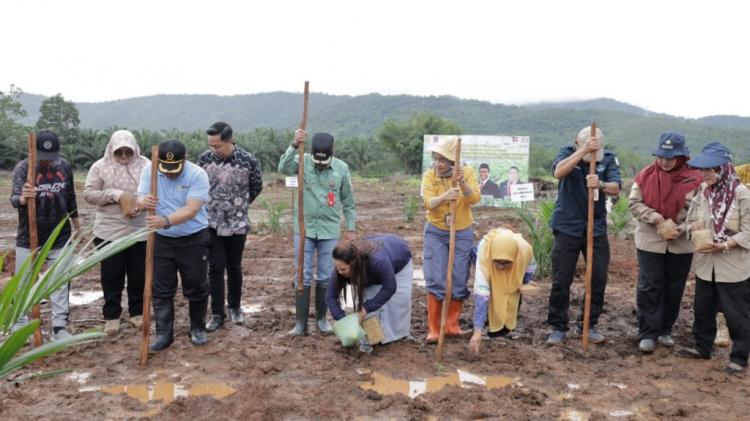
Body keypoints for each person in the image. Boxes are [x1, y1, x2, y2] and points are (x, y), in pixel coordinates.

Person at [546, 125, 621, 345]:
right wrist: (583, 152)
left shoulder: (608, 158)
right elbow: (558, 172)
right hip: (567, 225)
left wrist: (602, 183)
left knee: (597, 277)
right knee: (562, 278)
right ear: (576, 142)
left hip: (595, 227)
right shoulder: (567, 152)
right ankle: (558, 326)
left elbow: (616, 187)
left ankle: (588, 324)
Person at [628, 133, 702, 352]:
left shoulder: (695, 179)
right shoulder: (645, 176)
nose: (666, 161)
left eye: (672, 157)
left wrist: (684, 227)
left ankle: (665, 329)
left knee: (674, 286)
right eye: (662, 156)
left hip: (681, 243)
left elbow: (701, 211)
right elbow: (634, 203)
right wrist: (656, 217)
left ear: (682, 157)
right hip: (650, 240)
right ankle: (648, 332)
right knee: (649, 285)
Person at [278, 130, 356, 336]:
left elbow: (348, 201)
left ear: (332, 154)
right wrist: (294, 144)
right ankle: (300, 323)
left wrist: (351, 228)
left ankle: (322, 319)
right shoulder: (301, 160)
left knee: (325, 274)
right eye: (317, 161)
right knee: (301, 274)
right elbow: (282, 168)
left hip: (329, 231)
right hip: (304, 229)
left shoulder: (341, 168)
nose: (320, 164)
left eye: (324, 161)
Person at [681, 142, 750, 374]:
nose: (705, 174)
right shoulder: (703, 193)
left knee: (736, 313)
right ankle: (702, 347)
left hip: (732, 266)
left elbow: (748, 231)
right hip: (705, 264)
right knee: (702, 308)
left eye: (709, 170)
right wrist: (694, 226)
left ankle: (739, 358)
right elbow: (689, 222)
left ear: (723, 169)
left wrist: (726, 244)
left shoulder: (741, 194)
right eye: (703, 170)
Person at [137, 139, 211, 350]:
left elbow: (192, 209)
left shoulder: (197, 174)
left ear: (184, 160)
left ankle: (197, 328)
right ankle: (164, 334)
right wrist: (143, 202)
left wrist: (166, 220)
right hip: (161, 240)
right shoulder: (149, 171)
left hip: (193, 238)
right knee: (161, 288)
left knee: (196, 284)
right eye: (165, 168)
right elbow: (140, 197)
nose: (169, 173)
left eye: (174, 169)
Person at [10, 129, 80, 340]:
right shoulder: (23, 168)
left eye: (51, 158)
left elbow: (70, 196)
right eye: (42, 158)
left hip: (60, 236)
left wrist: (76, 224)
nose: (47, 163)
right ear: (33, 152)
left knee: (60, 281)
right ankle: (21, 325)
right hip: (29, 236)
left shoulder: (64, 166)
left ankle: (59, 326)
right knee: (23, 282)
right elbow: (13, 199)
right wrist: (23, 198)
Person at [197, 122, 263, 331]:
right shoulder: (204, 160)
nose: (213, 150)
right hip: (211, 222)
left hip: (237, 224)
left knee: (234, 266)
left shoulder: (247, 160)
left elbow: (256, 186)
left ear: (230, 141)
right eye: (211, 146)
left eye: (217, 146)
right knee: (215, 268)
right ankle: (217, 313)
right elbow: (197, 186)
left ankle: (234, 307)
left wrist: (238, 205)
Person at [84, 130, 149, 335]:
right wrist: (115, 195)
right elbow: (89, 194)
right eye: (119, 152)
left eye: (127, 152)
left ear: (135, 150)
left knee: (138, 273)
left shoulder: (146, 165)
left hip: (139, 229)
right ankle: (112, 316)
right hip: (109, 230)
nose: (123, 156)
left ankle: (137, 312)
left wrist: (139, 203)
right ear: (112, 149)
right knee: (112, 275)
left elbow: (156, 191)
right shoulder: (100, 166)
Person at [421, 136, 481, 342]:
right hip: (436, 231)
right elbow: (428, 203)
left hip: (462, 230)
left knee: (458, 277)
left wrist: (462, 182)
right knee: (436, 277)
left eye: (442, 160)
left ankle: (452, 325)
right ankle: (433, 329)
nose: (438, 164)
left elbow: (474, 198)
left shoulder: (469, 173)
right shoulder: (429, 176)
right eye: (436, 159)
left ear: (453, 162)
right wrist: (446, 196)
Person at [326, 234, 413, 352]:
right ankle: (373, 341)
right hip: (369, 271)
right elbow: (330, 297)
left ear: (354, 264)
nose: (339, 272)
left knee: (398, 302)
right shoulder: (341, 265)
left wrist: (366, 308)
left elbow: (390, 287)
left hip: (399, 258)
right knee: (368, 310)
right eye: (337, 268)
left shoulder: (378, 261)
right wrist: (343, 319)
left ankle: (402, 335)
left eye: (343, 269)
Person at [469, 226, 534, 353]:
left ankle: (506, 327)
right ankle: (490, 324)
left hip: (515, 268)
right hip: (484, 260)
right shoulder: (483, 255)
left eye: (506, 263)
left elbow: (530, 267)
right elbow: (481, 295)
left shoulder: (525, 251)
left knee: (513, 290)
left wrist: (525, 281)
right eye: (498, 262)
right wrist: (477, 332)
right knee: (493, 292)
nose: (501, 267)